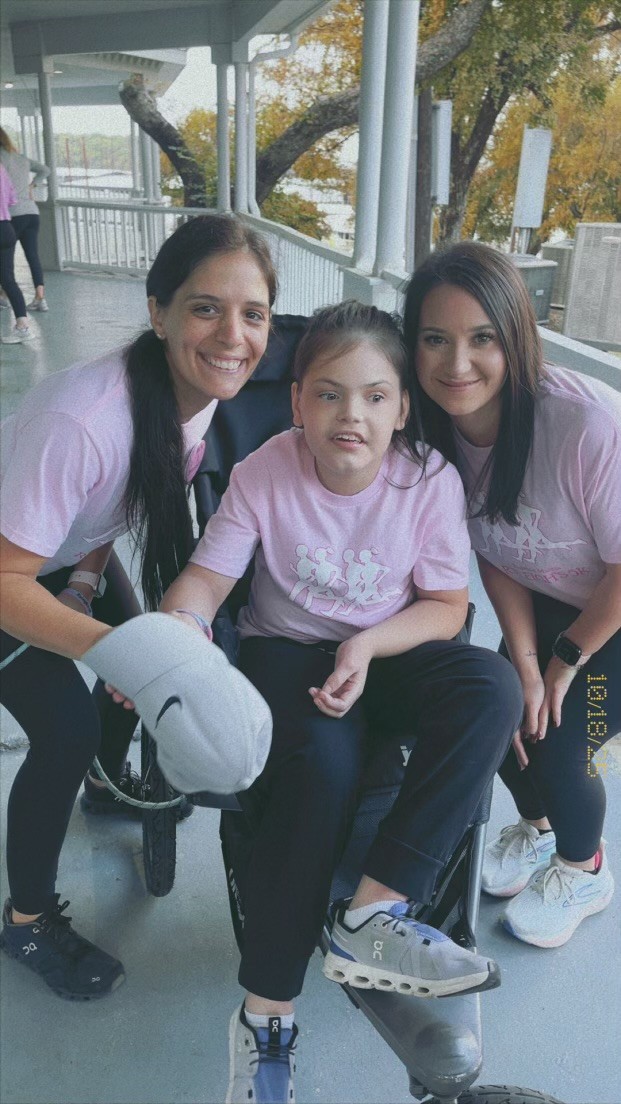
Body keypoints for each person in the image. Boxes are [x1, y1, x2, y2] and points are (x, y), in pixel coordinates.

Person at [159, 301, 523, 1103]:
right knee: (320, 775)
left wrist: (364, 645)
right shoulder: (263, 471)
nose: (347, 415)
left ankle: (371, 914)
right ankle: (265, 1019)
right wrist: (177, 626)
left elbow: (443, 605)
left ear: (400, 408)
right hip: (285, 651)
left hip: (387, 647)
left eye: (372, 396)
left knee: (489, 687)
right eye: (326, 394)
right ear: (295, 403)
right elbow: (209, 581)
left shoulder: (426, 479)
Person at [0, 214, 276, 1000]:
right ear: (157, 311)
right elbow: (6, 577)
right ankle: (24, 924)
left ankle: (101, 786)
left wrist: (86, 588)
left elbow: (110, 508)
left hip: (47, 557)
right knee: (69, 724)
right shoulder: (81, 420)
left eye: (252, 314)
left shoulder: (194, 395)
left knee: (143, 634)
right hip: (6, 566)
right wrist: (112, 648)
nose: (232, 335)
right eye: (204, 308)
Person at [403, 240, 620, 950]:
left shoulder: (583, 425)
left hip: (611, 608)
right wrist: (524, 663)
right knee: (499, 711)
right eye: (434, 339)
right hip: (551, 596)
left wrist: (561, 663)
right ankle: (538, 829)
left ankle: (582, 864)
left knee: (558, 740)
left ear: (515, 338)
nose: (455, 364)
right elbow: (496, 550)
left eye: (481, 339)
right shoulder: (429, 432)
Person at [0, 127, 50, 313]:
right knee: (33, 256)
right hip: (32, 212)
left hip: (12, 215)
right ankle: (40, 297)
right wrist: (32, 185)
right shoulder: (21, 158)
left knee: (6, 260)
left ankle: (4, 297)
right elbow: (46, 170)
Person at [0, 162, 31, 341]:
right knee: (8, 280)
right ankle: (23, 326)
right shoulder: (2, 168)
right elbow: (12, 199)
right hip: (6, 228)